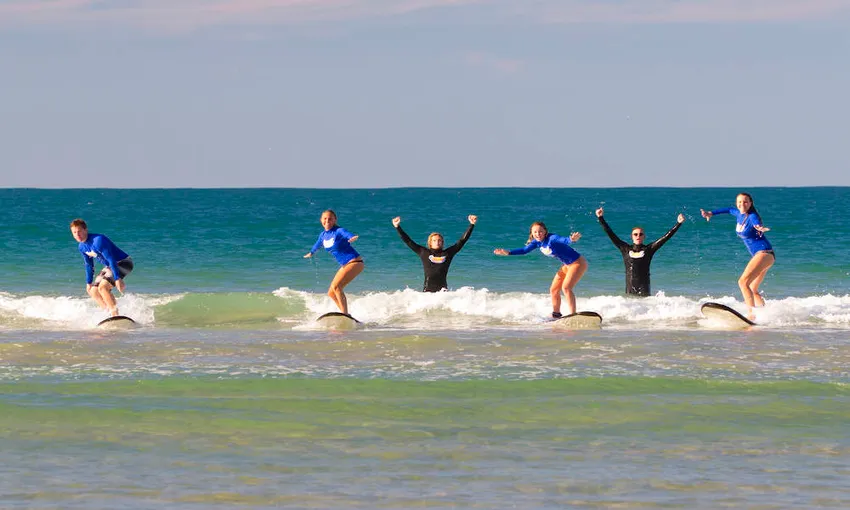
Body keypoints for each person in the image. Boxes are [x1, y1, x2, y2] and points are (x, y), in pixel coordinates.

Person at [700, 192, 774, 320]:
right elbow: (729, 210)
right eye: (739, 202)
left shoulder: (752, 216)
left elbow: (756, 222)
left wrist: (759, 227)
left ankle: (752, 315)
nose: (742, 204)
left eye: (745, 202)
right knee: (752, 288)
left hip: (764, 253)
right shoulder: (738, 213)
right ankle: (764, 315)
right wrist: (711, 213)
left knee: (742, 282)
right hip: (765, 256)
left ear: (750, 203)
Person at [494, 221, 588, 318]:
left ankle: (573, 315)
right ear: (532, 233)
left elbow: (563, 240)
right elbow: (524, 250)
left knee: (566, 288)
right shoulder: (537, 242)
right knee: (554, 290)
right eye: (535, 232)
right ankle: (556, 314)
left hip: (578, 263)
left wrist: (571, 239)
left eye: (540, 231)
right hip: (567, 265)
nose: (538, 234)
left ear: (545, 232)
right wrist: (508, 252)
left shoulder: (552, 238)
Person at [595, 207, 685, 296]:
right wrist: (600, 218)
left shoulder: (649, 249)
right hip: (629, 291)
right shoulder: (625, 249)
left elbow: (665, 237)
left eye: (640, 234)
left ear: (644, 237)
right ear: (632, 236)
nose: (638, 236)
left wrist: (678, 223)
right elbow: (611, 234)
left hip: (644, 291)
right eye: (635, 234)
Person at [392, 215, 477, 292]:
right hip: (427, 291)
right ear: (430, 243)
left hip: (443, 291)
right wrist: (397, 227)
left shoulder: (448, 253)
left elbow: (462, 241)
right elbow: (408, 241)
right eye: (434, 240)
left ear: (442, 242)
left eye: (439, 240)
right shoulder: (423, 252)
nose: (437, 242)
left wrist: (471, 225)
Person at [303, 209, 365, 315]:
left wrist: (351, 237)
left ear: (335, 220)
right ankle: (344, 314)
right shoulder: (322, 235)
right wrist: (311, 253)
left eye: (330, 219)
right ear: (321, 220)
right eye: (325, 218)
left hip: (355, 262)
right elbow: (317, 245)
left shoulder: (338, 231)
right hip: (346, 265)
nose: (327, 221)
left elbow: (346, 233)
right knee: (331, 293)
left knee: (337, 287)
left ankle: (345, 314)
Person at [70, 219, 134, 317]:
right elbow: (89, 265)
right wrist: (88, 282)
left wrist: (117, 278)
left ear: (85, 230)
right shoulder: (81, 247)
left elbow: (111, 259)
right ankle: (108, 313)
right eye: (74, 232)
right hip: (110, 266)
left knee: (103, 287)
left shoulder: (98, 240)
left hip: (124, 262)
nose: (77, 234)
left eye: (79, 231)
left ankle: (115, 315)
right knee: (93, 291)